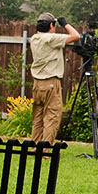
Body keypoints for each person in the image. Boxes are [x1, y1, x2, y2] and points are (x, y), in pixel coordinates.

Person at [29, 12, 80, 143]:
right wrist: (65, 24)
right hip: (51, 83)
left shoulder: (34, 39)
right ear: (51, 25)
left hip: (37, 84)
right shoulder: (51, 39)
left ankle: (35, 146)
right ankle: (45, 149)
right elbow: (76, 36)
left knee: (38, 117)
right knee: (52, 117)